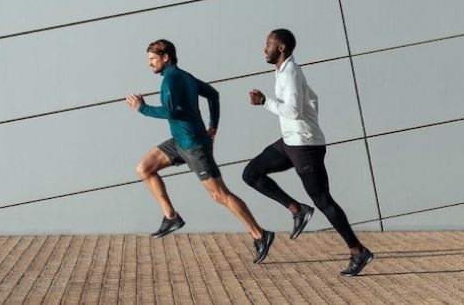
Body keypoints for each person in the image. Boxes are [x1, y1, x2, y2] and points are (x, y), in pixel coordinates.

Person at [126, 39, 274, 263]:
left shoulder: (171, 80)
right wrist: (213, 125)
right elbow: (213, 94)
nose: (150, 64)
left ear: (166, 57)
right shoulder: (185, 76)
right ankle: (171, 217)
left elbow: (171, 111)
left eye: (152, 59)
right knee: (144, 168)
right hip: (180, 141)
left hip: (195, 146)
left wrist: (142, 108)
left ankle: (260, 234)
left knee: (219, 194)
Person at [243, 29, 373, 276]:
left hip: (305, 146)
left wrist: (264, 102)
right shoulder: (282, 72)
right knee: (251, 173)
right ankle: (297, 210)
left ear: (281, 48)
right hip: (291, 142)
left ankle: (358, 251)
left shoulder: (290, 73)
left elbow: (293, 111)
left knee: (323, 200)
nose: (264, 48)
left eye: (268, 44)